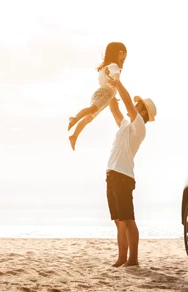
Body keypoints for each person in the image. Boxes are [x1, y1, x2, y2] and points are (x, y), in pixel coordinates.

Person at [104, 77, 156, 267]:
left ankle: (133, 259)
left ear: (142, 111)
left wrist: (118, 84)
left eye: (137, 105)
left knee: (128, 218)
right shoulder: (126, 125)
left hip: (123, 176)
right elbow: (115, 109)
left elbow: (126, 103)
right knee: (119, 221)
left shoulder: (139, 126)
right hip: (112, 174)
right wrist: (109, 90)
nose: (133, 105)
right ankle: (122, 258)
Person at [67, 42, 128, 150]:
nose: (124, 59)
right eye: (124, 55)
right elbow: (116, 76)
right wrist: (116, 81)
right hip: (105, 94)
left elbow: (106, 81)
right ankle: (75, 118)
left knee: (89, 117)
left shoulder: (106, 67)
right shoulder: (113, 66)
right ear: (120, 53)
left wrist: (113, 96)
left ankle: (74, 136)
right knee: (92, 109)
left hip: (105, 95)